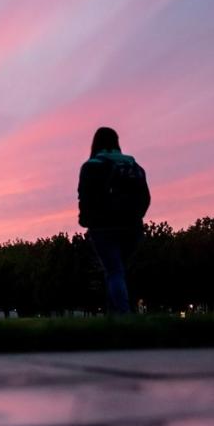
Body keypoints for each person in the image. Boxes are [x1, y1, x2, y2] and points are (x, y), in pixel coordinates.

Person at [78, 127, 150, 315]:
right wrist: (137, 217)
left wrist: (86, 220)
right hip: (132, 228)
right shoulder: (134, 167)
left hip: (103, 228)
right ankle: (114, 317)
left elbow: (84, 197)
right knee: (116, 271)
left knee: (114, 271)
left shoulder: (91, 166)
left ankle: (123, 316)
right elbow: (145, 197)